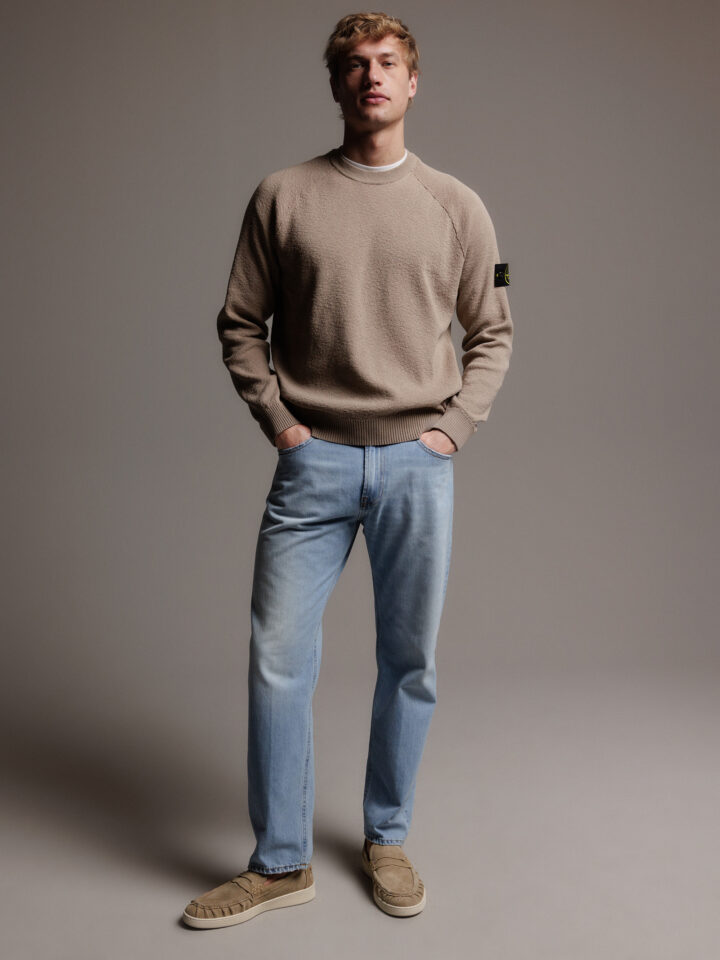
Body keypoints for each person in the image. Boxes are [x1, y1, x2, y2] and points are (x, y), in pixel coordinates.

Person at [182, 10, 513, 929]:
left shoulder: (457, 205)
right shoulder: (282, 196)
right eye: (356, 64)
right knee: (277, 659)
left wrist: (452, 430)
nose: (372, 76)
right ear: (336, 85)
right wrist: (281, 423)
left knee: (410, 661)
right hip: (313, 462)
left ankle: (388, 837)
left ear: (413, 82)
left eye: (388, 62)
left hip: (417, 463)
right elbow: (238, 322)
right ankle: (281, 862)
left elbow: (493, 332)